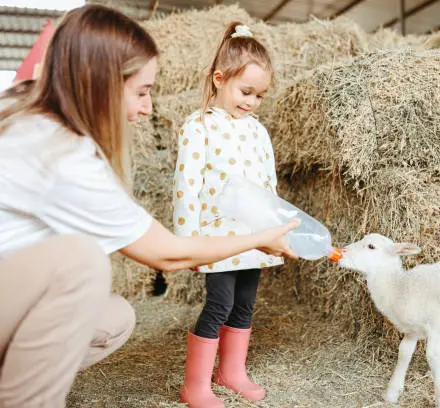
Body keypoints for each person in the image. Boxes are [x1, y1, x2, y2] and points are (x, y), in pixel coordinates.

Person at [0, 6, 297, 408]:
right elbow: (167, 253)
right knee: (82, 262)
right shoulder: (63, 153)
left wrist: (264, 230)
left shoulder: (32, 114)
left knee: (114, 319)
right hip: (219, 235)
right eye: (141, 91)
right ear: (100, 83)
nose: (148, 108)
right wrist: (256, 238)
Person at [172, 22, 283, 408]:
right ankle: (195, 384)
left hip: (254, 237)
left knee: (245, 303)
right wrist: (189, 244)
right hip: (217, 239)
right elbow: (185, 186)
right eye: (245, 91)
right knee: (219, 304)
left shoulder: (258, 132)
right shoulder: (199, 126)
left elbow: (269, 187)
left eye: (259, 95)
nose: (252, 101)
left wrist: (276, 232)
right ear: (220, 79)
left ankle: (231, 372)